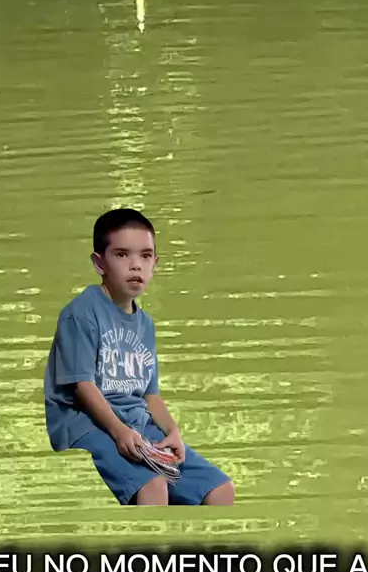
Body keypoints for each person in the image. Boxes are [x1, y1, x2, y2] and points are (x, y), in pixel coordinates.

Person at [43, 208, 235, 506]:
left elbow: (150, 395)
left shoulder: (145, 324)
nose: (136, 265)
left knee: (220, 489)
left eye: (145, 256)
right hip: (86, 423)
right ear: (99, 263)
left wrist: (173, 432)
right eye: (122, 255)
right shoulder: (81, 313)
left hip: (136, 424)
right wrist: (120, 432)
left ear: (154, 264)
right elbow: (82, 386)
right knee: (153, 484)